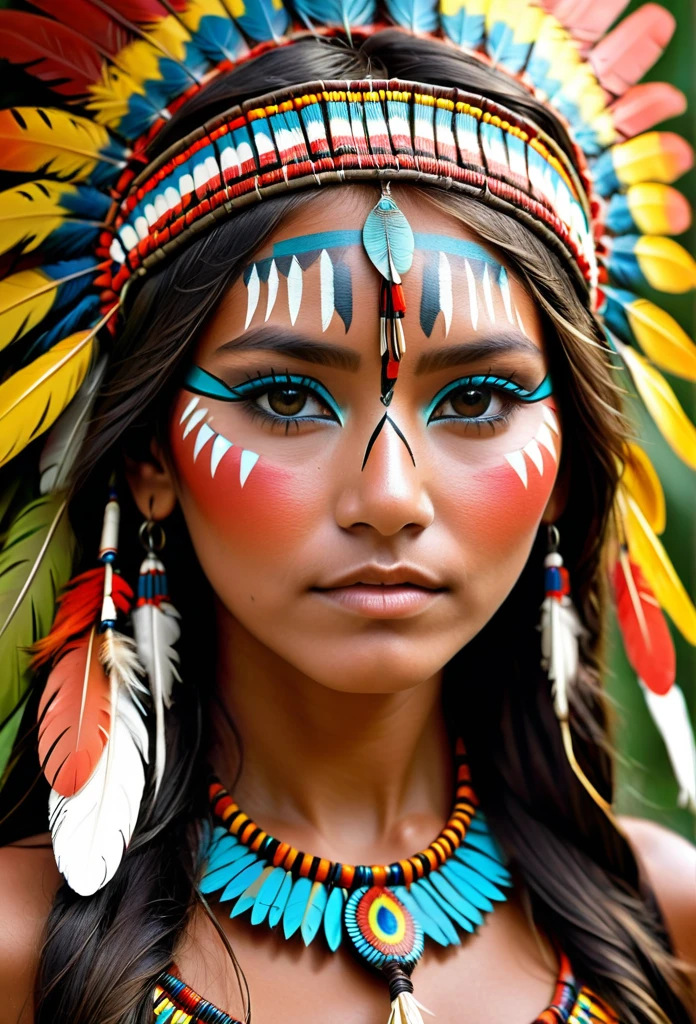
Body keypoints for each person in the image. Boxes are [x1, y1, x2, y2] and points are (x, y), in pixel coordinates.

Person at [0, 3, 694, 1023]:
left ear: (563, 467)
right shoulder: (23, 952)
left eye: (478, 400)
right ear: (148, 452)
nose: (390, 498)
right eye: (285, 397)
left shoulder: (668, 928)